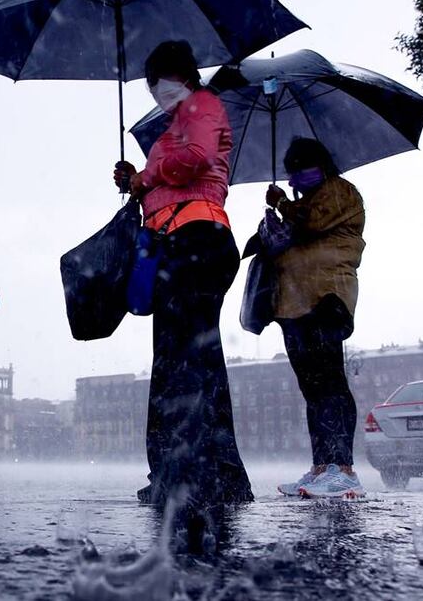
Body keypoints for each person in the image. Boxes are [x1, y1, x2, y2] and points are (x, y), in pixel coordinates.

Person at [114, 40, 253, 512]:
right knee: (192, 360)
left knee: (181, 363)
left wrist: (147, 176)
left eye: (157, 80)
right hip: (183, 241)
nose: (155, 90)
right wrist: (137, 178)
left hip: (195, 241)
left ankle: (187, 474)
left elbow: (193, 158)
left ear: (177, 75)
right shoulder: (183, 116)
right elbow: (174, 170)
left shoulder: (202, 104)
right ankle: (208, 474)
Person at [265, 138, 366, 499]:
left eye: (300, 170)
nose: (295, 179)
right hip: (294, 303)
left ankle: (343, 469)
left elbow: (311, 225)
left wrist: (280, 203)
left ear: (320, 166)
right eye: (292, 173)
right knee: (312, 388)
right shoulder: (301, 202)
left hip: (327, 297)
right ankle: (322, 467)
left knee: (330, 383)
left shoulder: (340, 192)